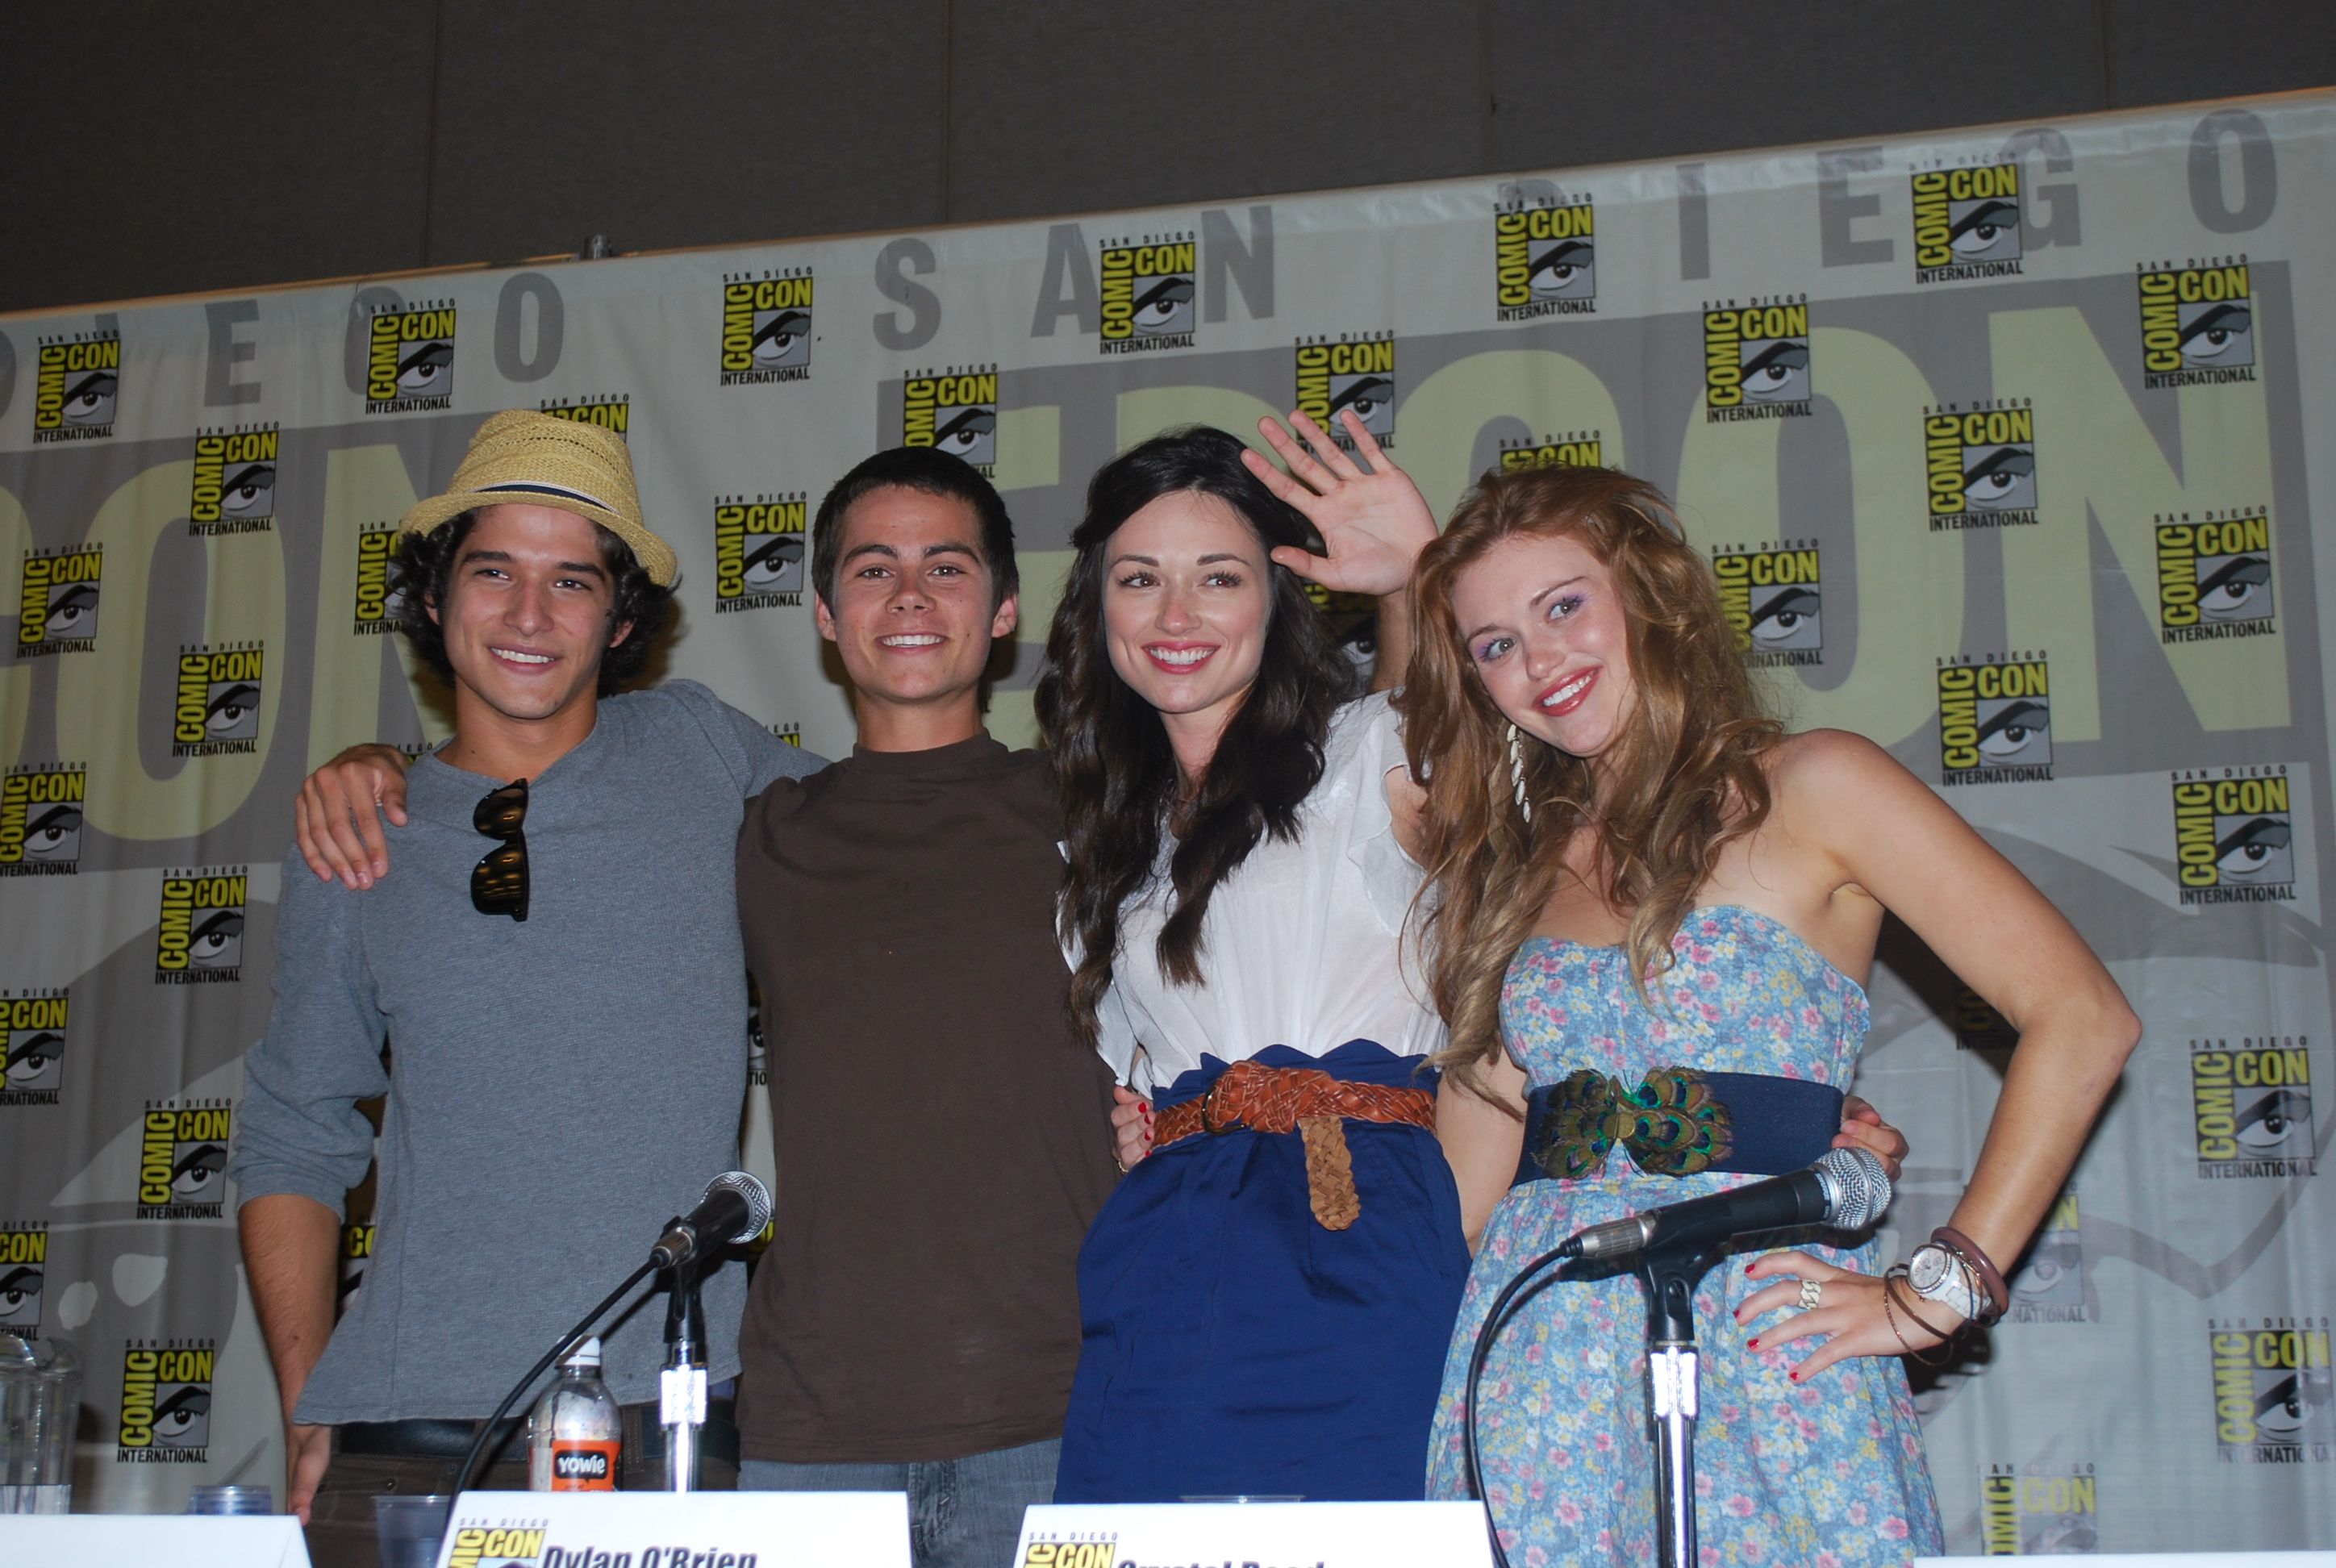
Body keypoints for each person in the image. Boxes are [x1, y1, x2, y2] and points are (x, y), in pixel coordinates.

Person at [1073, 423, 1909, 1508]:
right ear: (1095, 606)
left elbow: (1458, 754)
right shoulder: (1093, 844)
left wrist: (1414, 586)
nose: (1175, 616)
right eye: (1138, 580)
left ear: (1281, 600)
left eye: (1219, 577)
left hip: (1354, 1226)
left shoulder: (1368, 751)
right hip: (1172, 1250)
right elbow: (1127, 1072)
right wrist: (1148, 1126)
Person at [1402, 463, 2140, 1562]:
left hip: (1767, 1348)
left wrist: (1935, 1292)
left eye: (1562, 605)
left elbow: (2083, 1017)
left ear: (1649, 594)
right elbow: (1469, 1203)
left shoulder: (1815, 788)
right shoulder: (1504, 876)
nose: (1539, 660)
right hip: (1535, 1373)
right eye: (1495, 644)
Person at [231, 411, 821, 1563]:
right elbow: (297, 1136)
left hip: (681, 1428)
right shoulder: (360, 834)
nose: (529, 617)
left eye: (572, 582)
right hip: (410, 1433)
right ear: (436, 597)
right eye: (494, 573)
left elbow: (904, 843)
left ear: (622, 618)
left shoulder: (702, 749)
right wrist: (311, 1396)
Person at [727, 448, 1119, 1568]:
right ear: (821, 610)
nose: (908, 596)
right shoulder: (764, 837)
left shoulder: (1104, 816)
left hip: (1062, 1413)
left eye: (946, 568)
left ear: (1002, 612)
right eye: (872, 569)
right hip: (814, 1434)